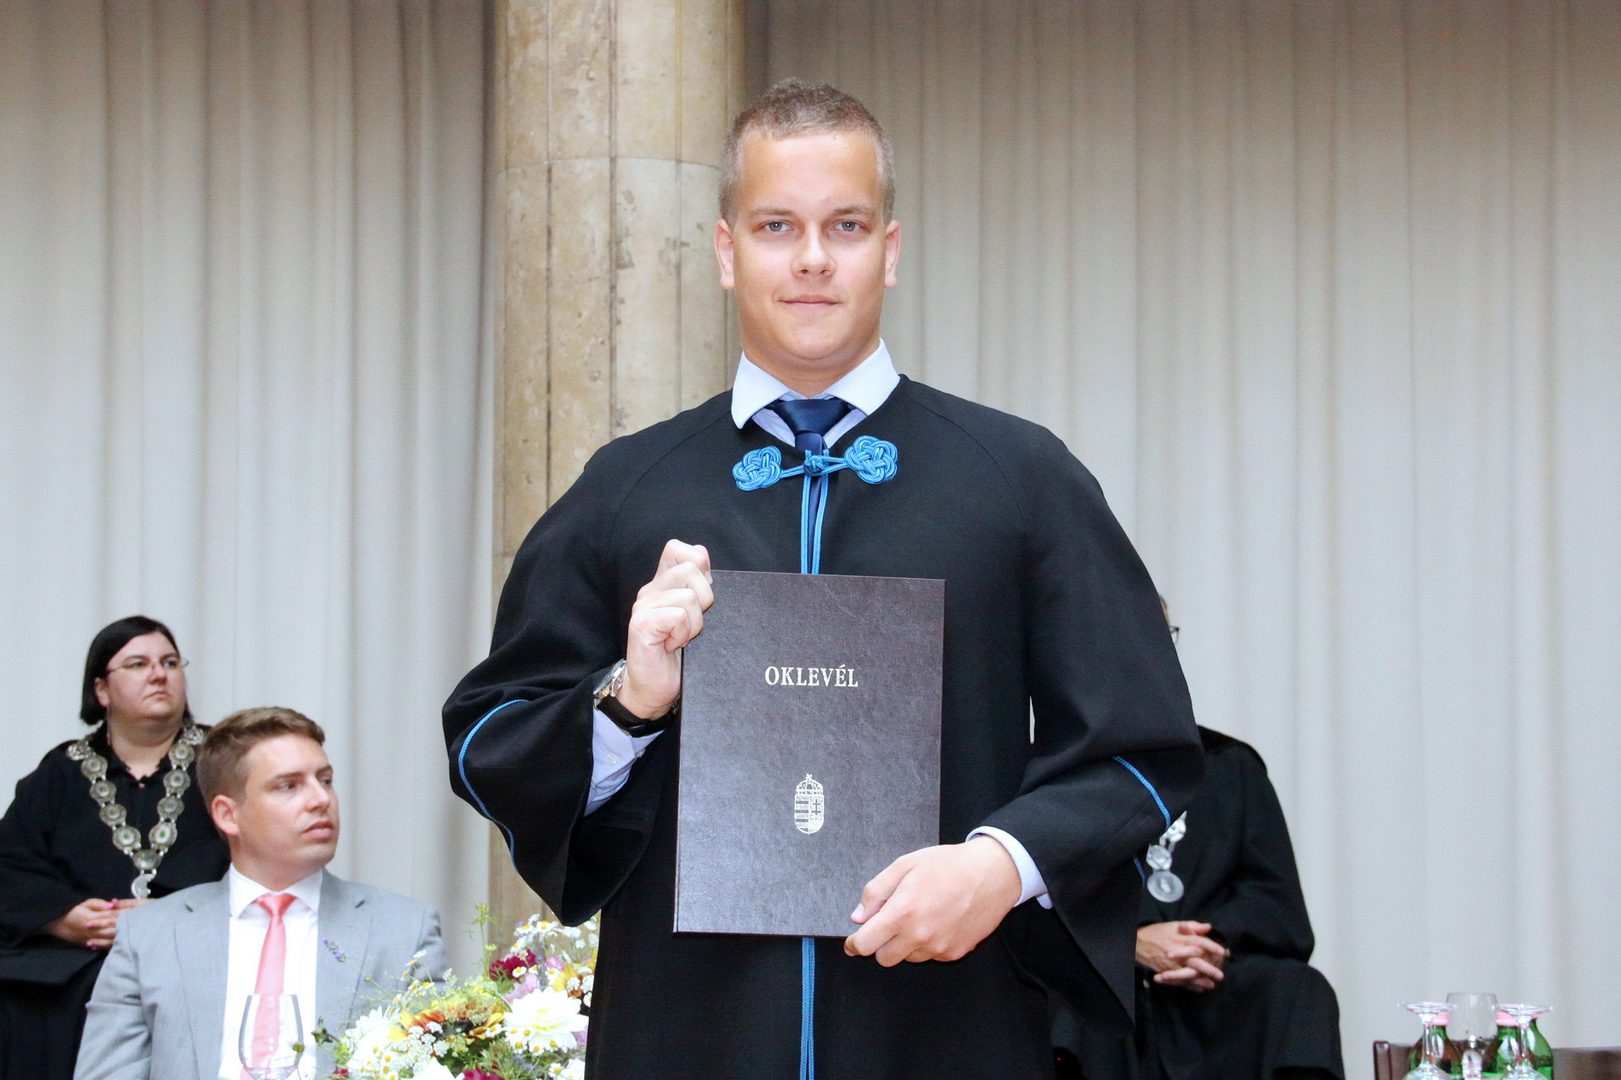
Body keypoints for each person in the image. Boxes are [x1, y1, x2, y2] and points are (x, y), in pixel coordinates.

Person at [444, 79, 1204, 1078]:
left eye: (844, 225)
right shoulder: (626, 488)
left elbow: (1140, 748)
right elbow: (488, 741)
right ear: (726, 252)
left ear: (890, 250)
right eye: (777, 226)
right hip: (689, 1032)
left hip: (948, 1028)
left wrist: (1001, 866)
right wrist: (628, 701)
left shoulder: (1021, 480)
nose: (811, 258)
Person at [74, 706, 447, 1080]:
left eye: (326, 780)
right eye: (289, 786)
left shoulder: (404, 931)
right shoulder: (147, 936)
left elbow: (440, 1065)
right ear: (227, 815)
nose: (321, 799)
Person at [0, 616, 230, 1080]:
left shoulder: (227, 761)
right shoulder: (61, 771)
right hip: (76, 965)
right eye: (138, 664)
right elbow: (9, 862)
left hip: (198, 952)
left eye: (170, 663)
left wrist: (169, 917)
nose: (159, 674)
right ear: (102, 690)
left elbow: (267, 856)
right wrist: (63, 918)